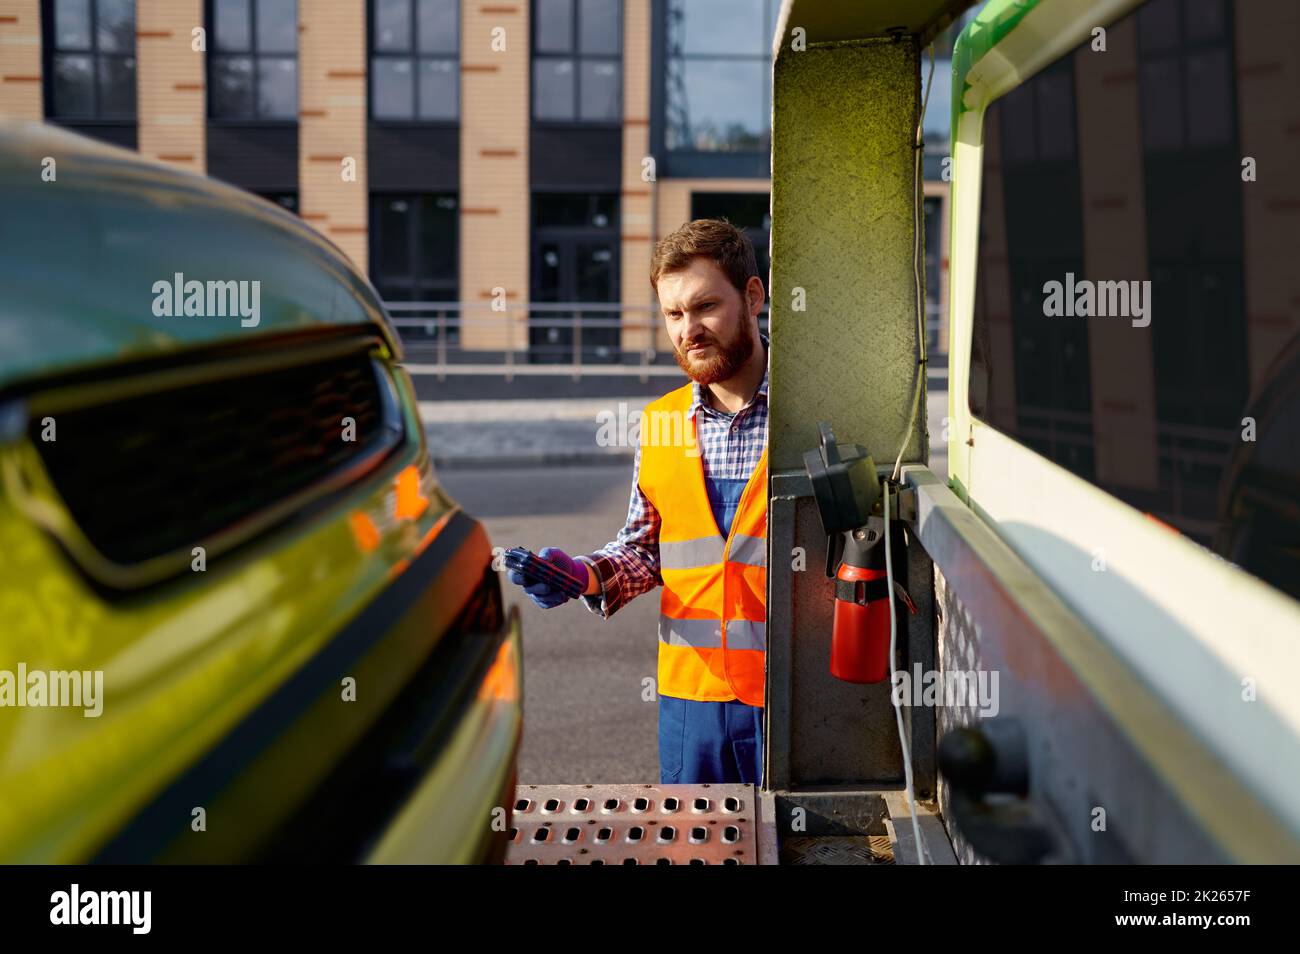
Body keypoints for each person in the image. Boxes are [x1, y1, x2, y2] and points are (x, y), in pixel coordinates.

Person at [507, 218, 769, 786]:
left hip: (795, 698)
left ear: (753, 297)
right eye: (673, 314)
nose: (688, 330)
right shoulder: (661, 424)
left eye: (704, 307)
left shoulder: (808, 416)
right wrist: (585, 574)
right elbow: (648, 551)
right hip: (691, 702)